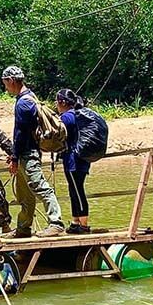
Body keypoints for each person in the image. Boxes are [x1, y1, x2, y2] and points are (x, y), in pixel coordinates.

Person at [1, 66, 64, 238]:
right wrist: (15, 154)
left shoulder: (23, 103)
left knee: (40, 186)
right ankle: (23, 228)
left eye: (5, 83)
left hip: (28, 154)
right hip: (25, 153)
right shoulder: (29, 97)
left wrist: (14, 156)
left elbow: (21, 133)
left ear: (11, 81)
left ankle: (56, 223)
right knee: (25, 193)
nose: (5, 87)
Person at [56, 88, 92, 234]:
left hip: (73, 161)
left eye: (57, 102)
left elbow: (58, 136)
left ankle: (83, 225)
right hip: (83, 159)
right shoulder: (78, 115)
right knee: (74, 190)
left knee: (77, 191)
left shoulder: (67, 118)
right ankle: (75, 221)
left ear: (63, 102)